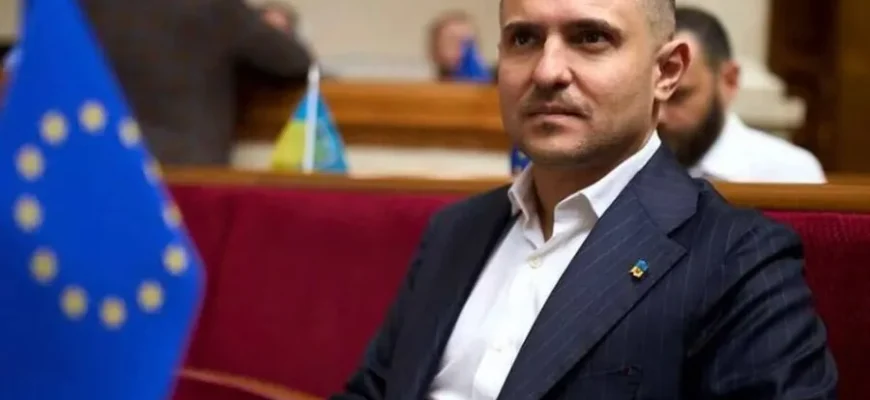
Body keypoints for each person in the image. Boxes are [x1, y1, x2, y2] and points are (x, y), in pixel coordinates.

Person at [331, 0, 838, 399]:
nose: (547, 71)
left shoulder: (738, 258)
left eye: (590, 38)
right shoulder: (455, 231)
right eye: (524, 39)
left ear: (666, 72)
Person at [77, 0, 314, 165]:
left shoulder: (78, 8)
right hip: (188, 175)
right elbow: (294, 63)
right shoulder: (213, 7)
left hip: (98, 164)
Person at [658, 7, 826, 183]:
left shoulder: (789, 174)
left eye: (677, 96)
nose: (659, 115)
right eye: (652, 97)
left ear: (729, 80)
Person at [427, 10, 494, 81]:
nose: (462, 48)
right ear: (434, 49)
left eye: (468, 42)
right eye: (452, 41)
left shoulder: (493, 83)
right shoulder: (424, 85)